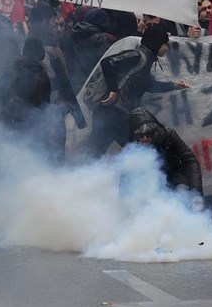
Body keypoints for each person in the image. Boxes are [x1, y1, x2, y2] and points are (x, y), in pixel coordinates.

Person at [86, 25, 189, 156]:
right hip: (112, 113)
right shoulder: (138, 56)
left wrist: (174, 86)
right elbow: (108, 62)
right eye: (165, 44)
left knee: (99, 153)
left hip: (116, 114)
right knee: (135, 152)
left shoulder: (146, 60)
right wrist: (113, 90)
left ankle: (79, 174)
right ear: (157, 42)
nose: (167, 48)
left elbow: (149, 85)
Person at [128, 107, 203, 194]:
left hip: (176, 180)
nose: (145, 139)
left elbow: (189, 159)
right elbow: (126, 175)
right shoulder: (132, 147)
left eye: (148, 134)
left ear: (155, 132)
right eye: (141, 135)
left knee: (183, 196)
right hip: (150, 186)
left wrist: (196, 192)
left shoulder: (169, 136)